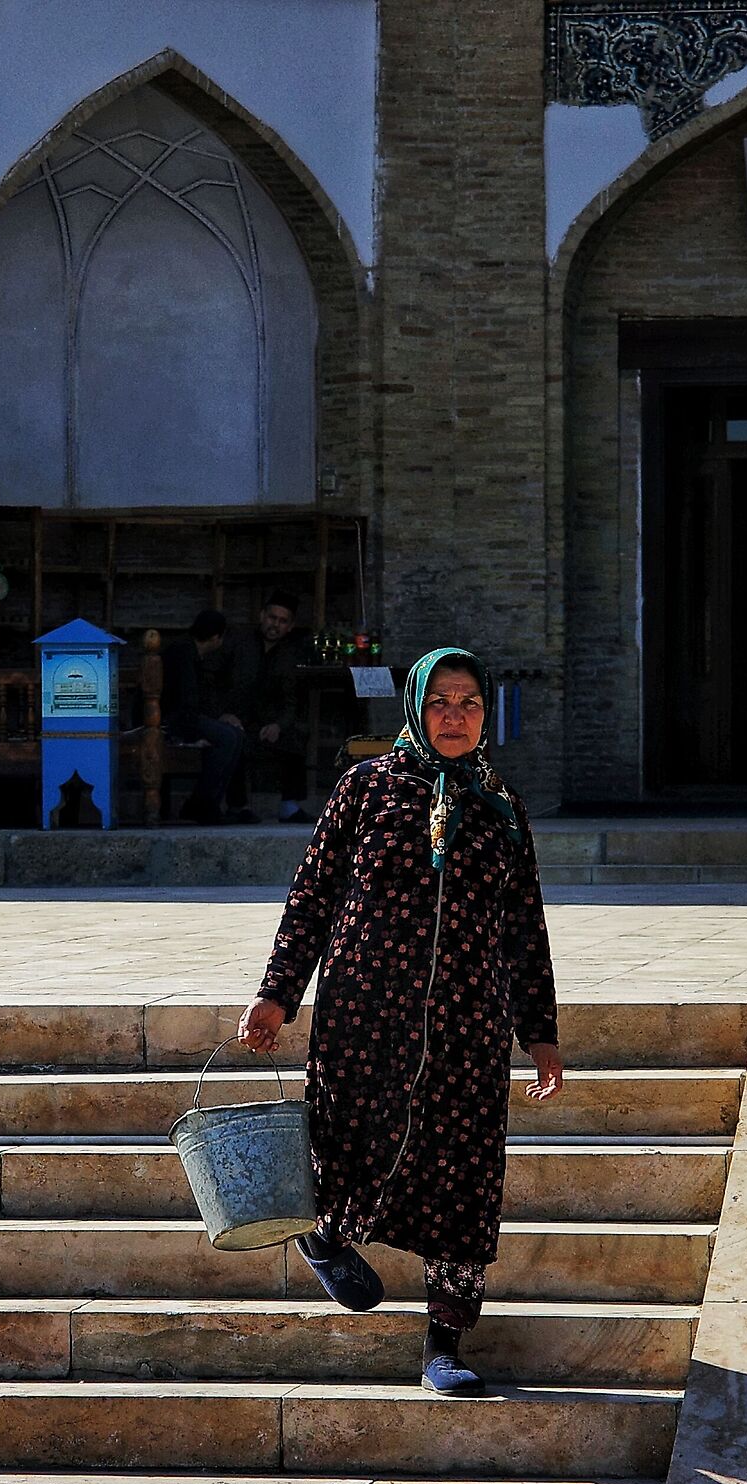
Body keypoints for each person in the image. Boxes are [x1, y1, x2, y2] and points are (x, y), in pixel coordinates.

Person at [237, 648, 562, 1395]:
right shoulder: (367, 788)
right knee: (353, 1142)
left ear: (487, 713)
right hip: (365, 1014)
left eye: (470, 702)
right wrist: (277, 992)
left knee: (464, 1176)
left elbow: (524, 927)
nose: (455, 716)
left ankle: (443, 1345)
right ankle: (328, 1235)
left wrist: (538, 1030)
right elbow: (312, 896)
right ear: (416, 706)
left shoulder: (501, 806)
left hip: (469, 1023)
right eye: (441, 701)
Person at [162, 608, 250, 825]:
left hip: (181, 716)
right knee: (228, 738)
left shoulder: (190, 652)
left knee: (234, 734)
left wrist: (219, 717)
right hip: (171, 720)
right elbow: (186, 701)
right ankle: (201, 803)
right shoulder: (184, 652)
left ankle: (209, 802)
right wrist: (192, 735)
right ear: (216, 637)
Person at [243, 592, 314, 822]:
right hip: (241, 717)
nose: (275, 625)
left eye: (283, 621)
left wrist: (278, 725)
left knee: (296, 734)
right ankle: (238, 806)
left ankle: (289, 806)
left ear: (290, 626)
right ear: (262, 616)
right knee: (233, 738)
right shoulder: (241, 645)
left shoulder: (291, 654)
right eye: (272, 618)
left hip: (271, 720)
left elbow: (292, 698)